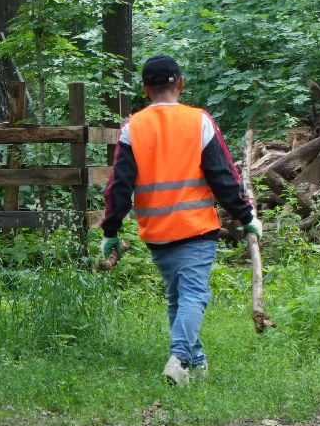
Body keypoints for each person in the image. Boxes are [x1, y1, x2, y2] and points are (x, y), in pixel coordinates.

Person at [101, 55, 260, 385]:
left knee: (178, 296)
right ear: (181, 83)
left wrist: (111, 230)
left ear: (146, 89)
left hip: (156, 231)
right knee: (193, 296)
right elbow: (222, 176)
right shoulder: (198, 121)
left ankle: (196, 363)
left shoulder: (133, 128)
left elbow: (120, 185)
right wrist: (246, 216)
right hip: (195, 228)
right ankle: (179, 359)